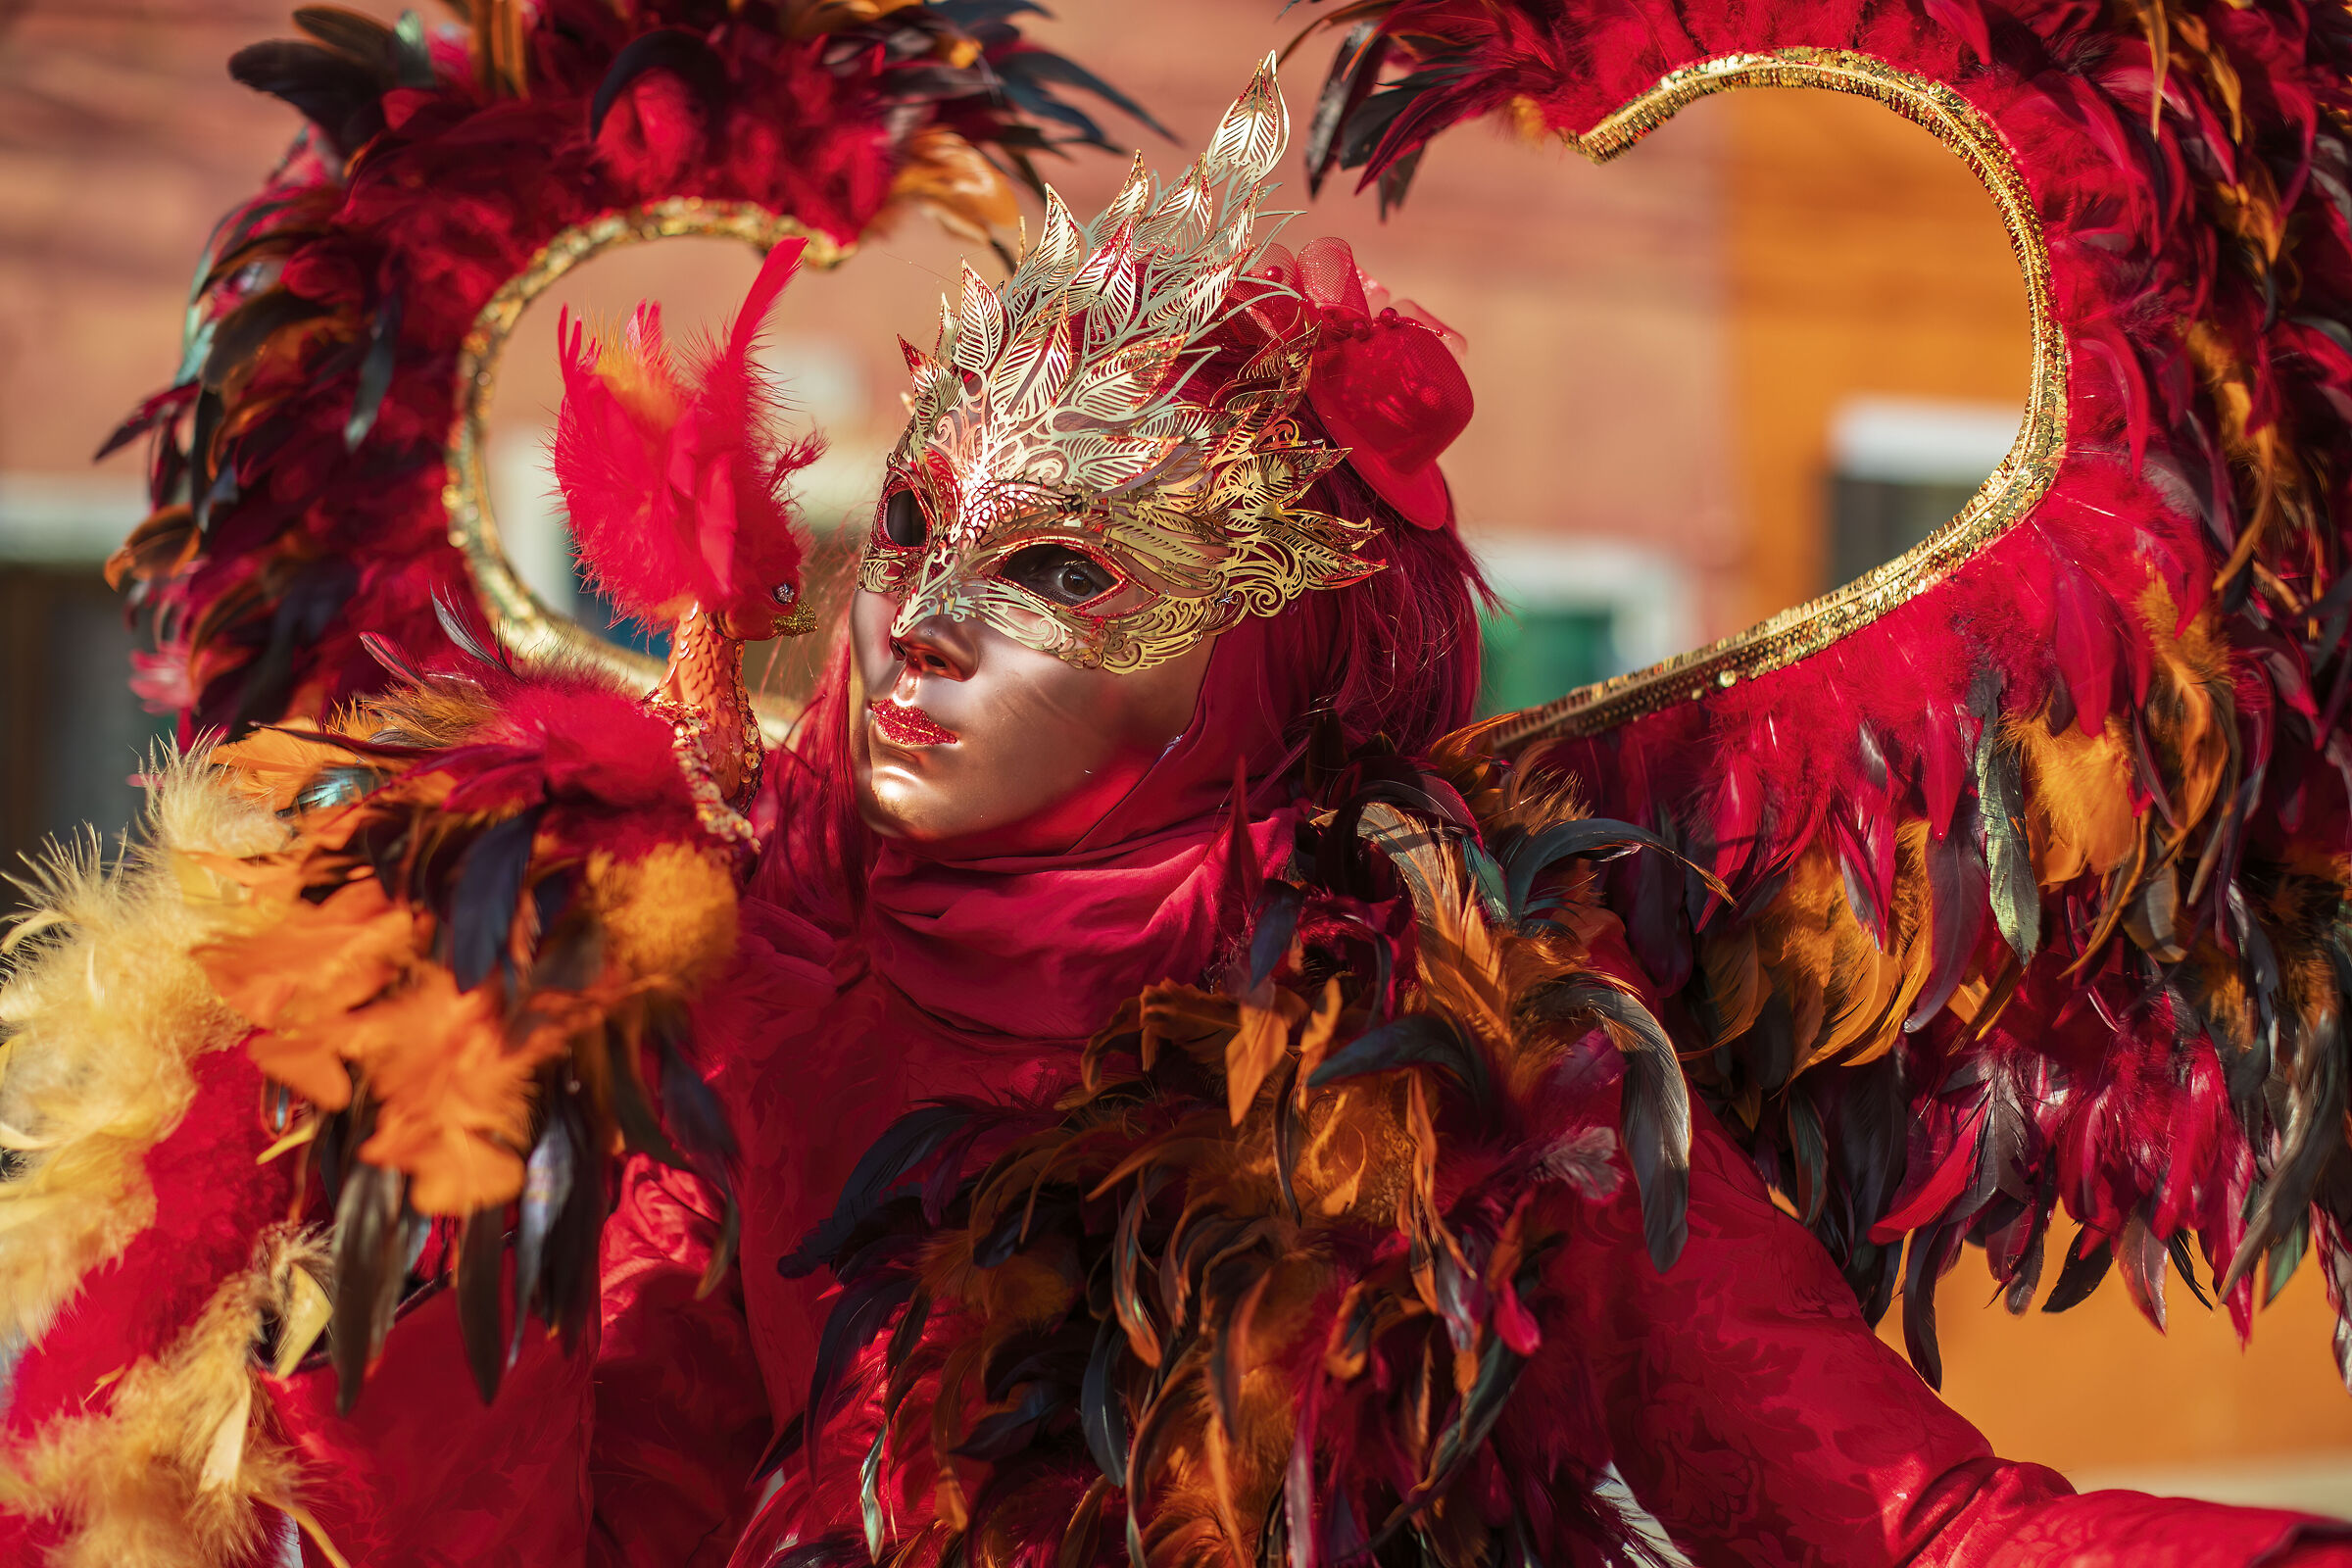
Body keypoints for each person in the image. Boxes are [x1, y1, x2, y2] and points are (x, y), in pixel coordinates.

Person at [5, 38, 2352, 1568]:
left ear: (1261, 671)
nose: (914, 620)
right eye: (912, 528)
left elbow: (1908, 1519)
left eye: (1058, 569)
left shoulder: (1476, 1054)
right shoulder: (703, 955)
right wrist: (442, 1170)